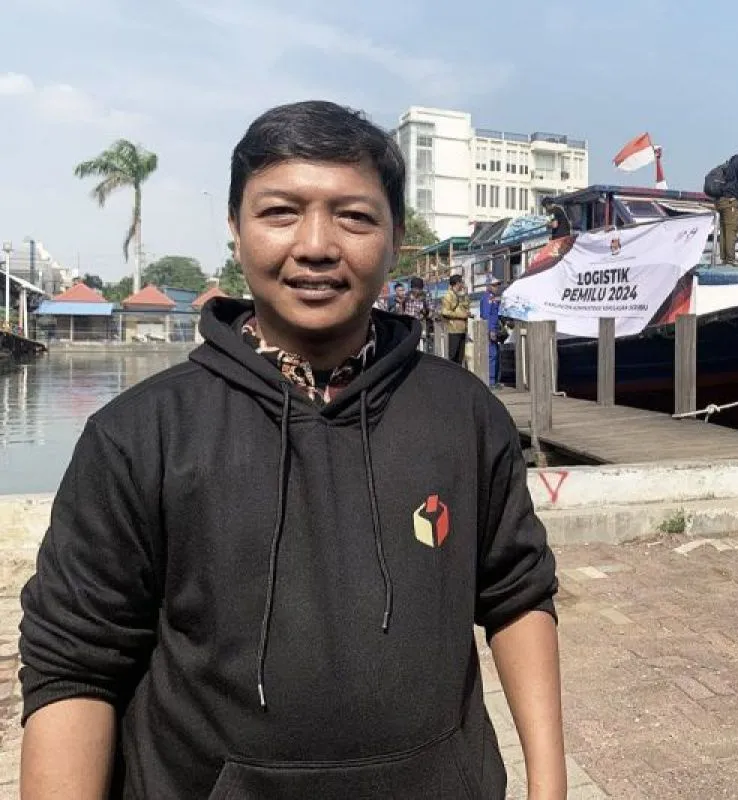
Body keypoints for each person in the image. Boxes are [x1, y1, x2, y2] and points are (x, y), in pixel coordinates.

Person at [18, 100, 566, 799]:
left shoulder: (465, 415)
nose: (315, 245)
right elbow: (75, 665)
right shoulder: (138, 435)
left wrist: (549, 785)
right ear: (235, 228)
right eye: (280, 212)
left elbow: (518, 592)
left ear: (396, 236)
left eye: (354, 216)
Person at [441, 273, 471, 365]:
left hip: (462, 329)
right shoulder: (448, 296)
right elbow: (445, 312)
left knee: (460, 357)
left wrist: (466, 294)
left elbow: (466, 305)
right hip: (453, 329)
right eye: (461, 282)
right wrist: (461, 315)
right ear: (457, 283)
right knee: (453, 356)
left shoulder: (459, 295)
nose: (463, 284)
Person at [480, 275, 504, 389]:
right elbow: (486, 316)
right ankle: (490, 381)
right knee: (492, 355)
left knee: (496, 354)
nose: (496, 287)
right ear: (488, 286)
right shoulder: (487, 298)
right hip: (490, 330)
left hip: (495, 329)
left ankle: (495, 380)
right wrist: (491, 331)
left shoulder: (494, 298)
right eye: (494, 285)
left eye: (497, 285)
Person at [399, 276, 433, 351]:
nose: (418, 291)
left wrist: (426, 314)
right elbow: (401, 309)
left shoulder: (426, 295)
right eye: (415, 289)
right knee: (410, 343)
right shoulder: (406, 296)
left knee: (423, 343)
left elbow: (431, 310)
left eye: (419, 289)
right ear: (412, 288)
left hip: (421, 322)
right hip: (409, 323)